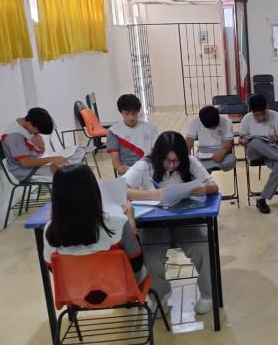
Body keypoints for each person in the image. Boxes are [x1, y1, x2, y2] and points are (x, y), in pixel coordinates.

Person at [124, 131, 220, 314]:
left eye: (176, 161)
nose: (171, 165)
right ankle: (160, 296)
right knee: (150, 257)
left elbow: (214, 186)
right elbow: (121, 190)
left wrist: (205, 189)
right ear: (158, 156)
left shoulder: (189, 162)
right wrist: (152, 195)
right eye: (167, 161)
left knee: (204, 248)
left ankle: (208, 294)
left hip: (185, 220)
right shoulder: (145, 165)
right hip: (154, 224)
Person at [43, 164, 146, 284]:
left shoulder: (51, 229)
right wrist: (131, 222)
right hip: (121, 288)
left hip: (77, 290)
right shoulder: (118, 222)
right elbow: (136, 263)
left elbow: (52, 267)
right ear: (94, 190)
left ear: (56, 196)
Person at [1, 107, 85, 182]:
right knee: (70, 174)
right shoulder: (15, 136)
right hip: (28, 172)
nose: (38, 133)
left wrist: (41, 146)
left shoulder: (28, 126)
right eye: (38, 131)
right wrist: (52, 159)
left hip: (37, 164)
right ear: (30, 123)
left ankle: (66, 167)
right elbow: (25, 163)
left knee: (79, 151)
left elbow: (39, 154)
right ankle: (66, 169)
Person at [239, 94, 278, 214]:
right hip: (255, 153)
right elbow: (241, 140)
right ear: (251, 112)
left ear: (267, 108)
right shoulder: (247, 119)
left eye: (263, 114)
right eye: (257, 115)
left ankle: (262, 199)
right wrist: (243, 141)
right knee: (255, 142)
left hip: (271, 152)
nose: (260, 117)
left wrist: (276, 140)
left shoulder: (275, 116)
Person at [107, 94, 159, 175]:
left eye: (134, 113)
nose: (131, 118)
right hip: (128, 172)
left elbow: (157, 153)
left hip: (148, 171)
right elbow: (115, 159)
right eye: (127, 114)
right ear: (121, 112)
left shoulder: (151, 129)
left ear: (138, 112)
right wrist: (119, 168)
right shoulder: (114, 131)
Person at [185, 105, 236, 171]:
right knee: (193, 163)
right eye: (210, 127)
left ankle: (204, 168)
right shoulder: (195, 121)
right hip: (203, 152)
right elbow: (188, 144)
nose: (212, 128)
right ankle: (206, 167)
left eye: (214, 126)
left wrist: (223, 151)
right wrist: (187, 159)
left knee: (232, 159)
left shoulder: (226, 121)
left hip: (222, 150)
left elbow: (228, 145)